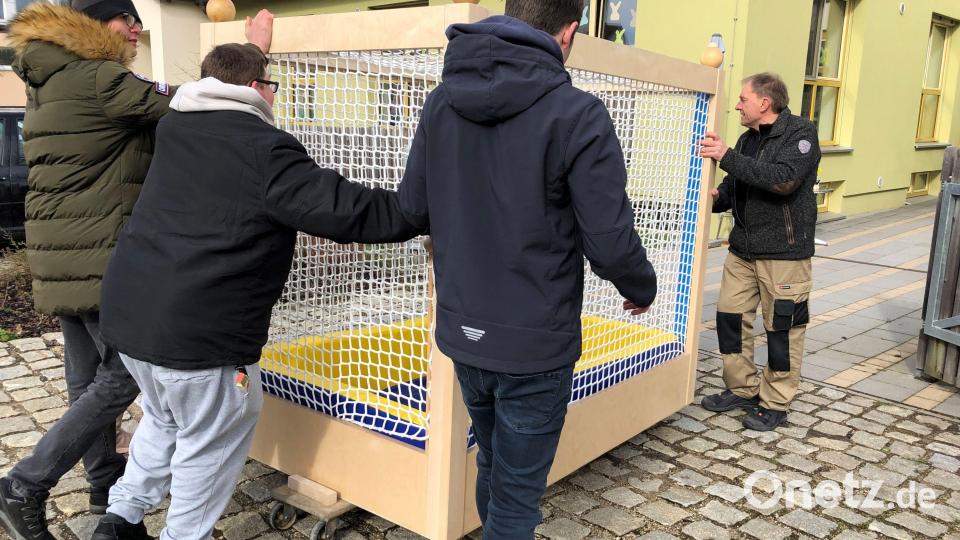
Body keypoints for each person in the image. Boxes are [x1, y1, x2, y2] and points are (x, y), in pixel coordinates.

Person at [92, 42, 421, 540]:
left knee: (161, 421)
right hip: (200, 336)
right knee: (208, 447)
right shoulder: (264, 148)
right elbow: (349, 210)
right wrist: (425, 207)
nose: (274, 95)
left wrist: (251, 51)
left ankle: (118, 521)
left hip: (132, 317)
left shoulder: (176, 125)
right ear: (254, 90)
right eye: (271, 85)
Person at [0, 3, 272, 540]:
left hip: (61, 254)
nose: (137, 30)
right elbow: (198, 104)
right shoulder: (100, 76)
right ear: (98, 26)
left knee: (88, 383)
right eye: (127, 21)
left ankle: (107, 494)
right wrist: (256, 56)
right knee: (126, 375)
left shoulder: (47, 77)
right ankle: (26, 483)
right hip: (103, 252)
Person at [394, 1, 658, 537]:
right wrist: (641, 286)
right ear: (569, 32)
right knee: (516, 496)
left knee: (491, 458)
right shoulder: (579, 113)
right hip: (535, 344)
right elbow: (607, 241)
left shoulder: (440, 104)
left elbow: (413, 208)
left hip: (464, 332)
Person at [699, 72, 821, 432]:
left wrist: (726, 156)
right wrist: (716, 198)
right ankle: (743, 388)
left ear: (764, 103)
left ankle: (775, 402)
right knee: (730, 319)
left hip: (783, 255)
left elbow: (782, 180)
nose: (737, 105)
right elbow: (735, 182)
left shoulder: (800, 134)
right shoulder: (746, 139)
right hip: (743, 251)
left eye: (742, 99)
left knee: (783, 329)